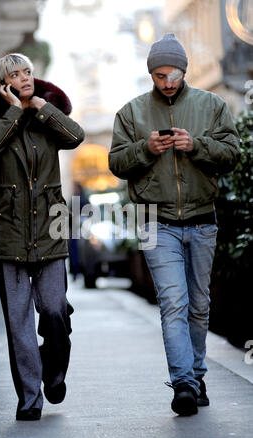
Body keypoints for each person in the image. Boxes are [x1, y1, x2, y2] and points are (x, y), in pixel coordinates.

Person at [108, 34, 240, 416]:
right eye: (160, 75)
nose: (168, 82)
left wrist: (195, 145)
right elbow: (117, 162)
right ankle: (183, 383)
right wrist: (144, 150)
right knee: (173, 303)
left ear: (185, 70)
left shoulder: (211, 105)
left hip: (202, 219)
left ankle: (197, 376)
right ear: (151, 74)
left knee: (199, 305)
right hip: (154, 221)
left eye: (174, 74)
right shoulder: (131, 113)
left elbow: (232, 154)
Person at [0, 53, 85, 420]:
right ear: (3, 84)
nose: (24, 78)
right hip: (9, 234)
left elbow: (75, 135)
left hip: (50, 231)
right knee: (19, 324)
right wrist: (14, 111)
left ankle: (55, 369)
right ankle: (30, 398)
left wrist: (38, 106)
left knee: (53, 310)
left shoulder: (46, 114)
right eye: (15, 75)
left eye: (27, 73)